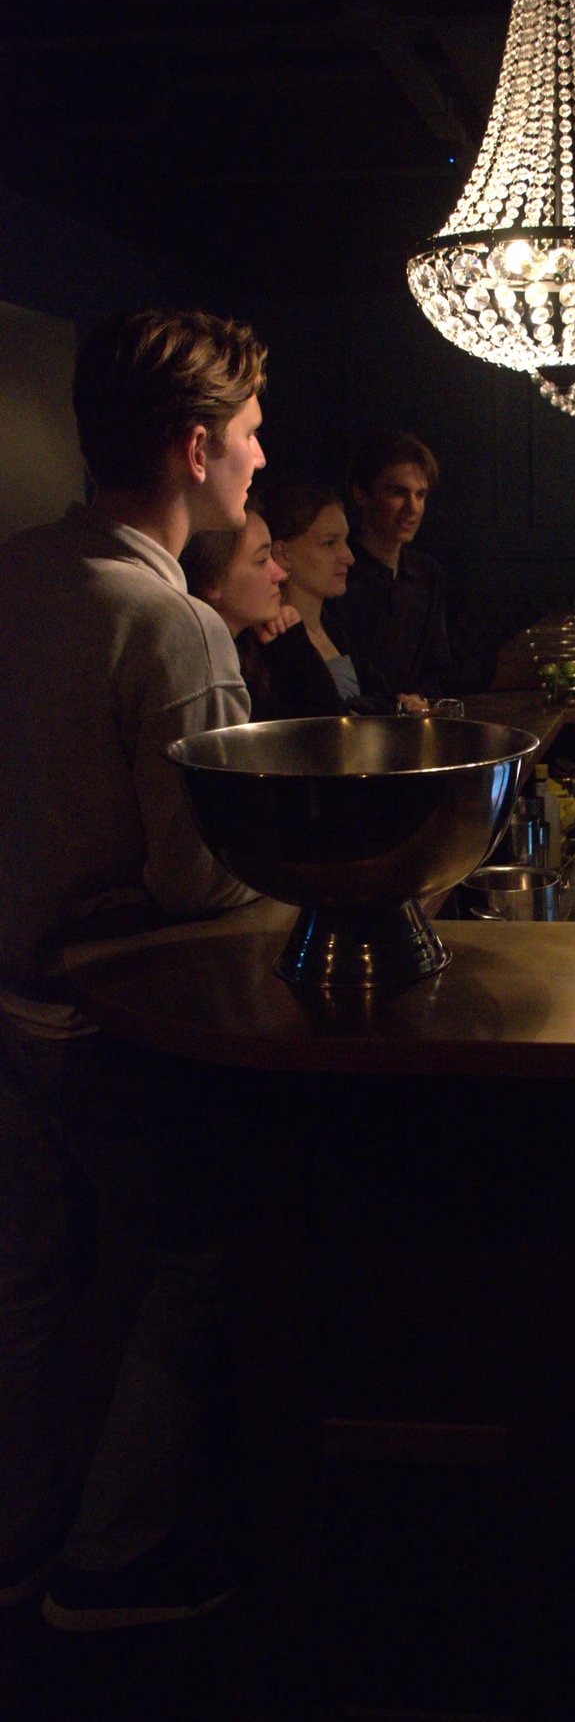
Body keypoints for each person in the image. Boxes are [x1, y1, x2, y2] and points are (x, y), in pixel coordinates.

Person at [0, 308, 267, 1627]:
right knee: (195, 1257)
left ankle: (19, 1544)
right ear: (193, 447)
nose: (263, 461)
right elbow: (201, 876)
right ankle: (114, 1559)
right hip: (103, 1022)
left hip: (5, 995)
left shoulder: (18, 570)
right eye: (252, 435)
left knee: (27, 1282)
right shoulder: (173, 626)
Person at [251, 481, 393, 719]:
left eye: (345, 541)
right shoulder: (271, 639)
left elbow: (383, 699)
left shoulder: (335, 626)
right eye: (329, 543)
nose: (348, 557)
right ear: (283, 553)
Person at [333, 430, 453, 709]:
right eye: (398, 492)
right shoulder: (338, 572)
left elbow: (438, 666)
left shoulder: (426, 572)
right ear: (362, 494)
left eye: (420, 495)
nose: (413, 508)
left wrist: (420, 701)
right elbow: (344, 675)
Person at [179, 508, 293, 682]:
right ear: (212, 582)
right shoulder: (200, 672)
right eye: (262, 560)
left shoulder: (251, 653)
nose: (281, 574)